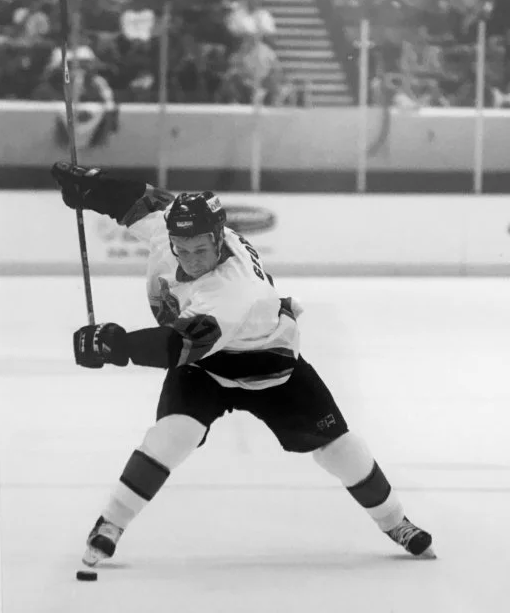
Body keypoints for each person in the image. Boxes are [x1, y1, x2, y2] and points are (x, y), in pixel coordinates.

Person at [50, 162, 436, 567]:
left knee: (339, 449)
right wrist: (93, 188)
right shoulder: (171, 232)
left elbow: (180, 344)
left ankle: (396, 522)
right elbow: (140, 200)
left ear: (220, 238)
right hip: (206, 366)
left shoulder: (235, 291)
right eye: (183, 249)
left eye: (201, 250)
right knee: (174, 434)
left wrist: (115, 345)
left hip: (268, 364)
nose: (191, 259)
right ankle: (110, 523)